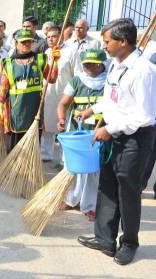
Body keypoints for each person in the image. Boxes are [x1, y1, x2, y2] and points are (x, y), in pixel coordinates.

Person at [77, 18, 156, 266]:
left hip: (134, 138)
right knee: (107, 185)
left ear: (123, 41)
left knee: (128, 191)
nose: (104, 46)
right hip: (112, 134)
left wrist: (110, 129)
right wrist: (92, 109)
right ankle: (105, 239)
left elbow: (144, 116)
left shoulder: (143, 71)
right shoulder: (115, 64)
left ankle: (129, 243)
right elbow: (112, 97)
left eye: (107, 41)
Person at [57, 49, 107, 221]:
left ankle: (90, 206)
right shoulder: (76, 81)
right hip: (77, 132)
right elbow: (63, 104)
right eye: (85, 64)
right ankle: (71, 200)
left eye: (92, 65)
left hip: (98, 133)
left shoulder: (109, 83)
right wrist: (62, 119)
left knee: (93, 171)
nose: (88, 68)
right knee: (73, 168)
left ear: (102, 65)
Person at [0, 29, 59, 150]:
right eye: (23, 42)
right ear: (16, 43)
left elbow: (52, 79)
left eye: (29, 41)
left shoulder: (40, 59)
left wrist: (55, 62)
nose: (26, 44)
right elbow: (4, 86)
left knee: (33, 147)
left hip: (35, 111)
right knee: (14, 146)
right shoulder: (9, 63)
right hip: (16, 112)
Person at [40, 25, 74, 162]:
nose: (50, 39)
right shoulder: (47, 52)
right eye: (48, 37)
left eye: (53, 36)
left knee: (63, 127)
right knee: (47, 126)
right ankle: (45, 154)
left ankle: (63, 159)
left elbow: (77, 73)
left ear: (61, 36)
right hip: (48, 94)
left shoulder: (71, 51)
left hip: (64, 95)